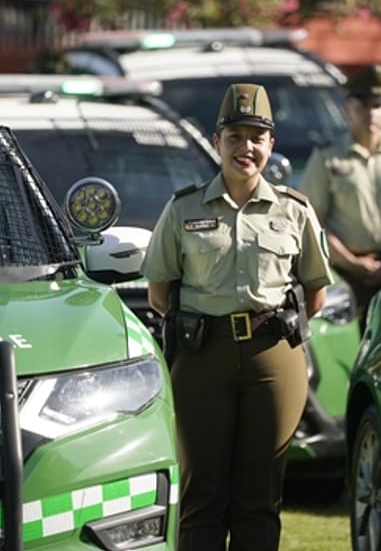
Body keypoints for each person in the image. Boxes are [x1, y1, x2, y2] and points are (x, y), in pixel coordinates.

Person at [142, 83, 333, 551]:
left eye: (255, 137)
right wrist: (210, 328)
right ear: (216, 142)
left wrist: (267, 329)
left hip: (274, 356)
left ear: (270, 144)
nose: (244, 147)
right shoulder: (183, 208)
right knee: (202, 496)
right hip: (203, 355)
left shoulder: (295, 210)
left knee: (260, 496)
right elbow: (159, 293)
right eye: (234, 136)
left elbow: (316, 294)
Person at [300, 64, 381, 331]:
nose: (370, 113)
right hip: (343, 274)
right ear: (347, 108)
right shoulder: (327, 156)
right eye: (361, 105)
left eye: (378, 105)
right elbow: (314, 220)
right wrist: (353, 262)